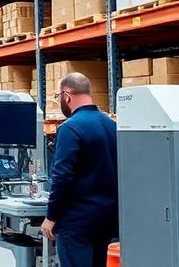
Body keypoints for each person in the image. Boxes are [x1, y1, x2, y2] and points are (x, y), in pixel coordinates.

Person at [41, 73, 119, 267]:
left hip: (77, 222)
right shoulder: (112, 125)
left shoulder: (70, 128)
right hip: (108, 219)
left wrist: (51, 216)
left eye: (59, 97)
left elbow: (62, 176)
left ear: (67, 96)